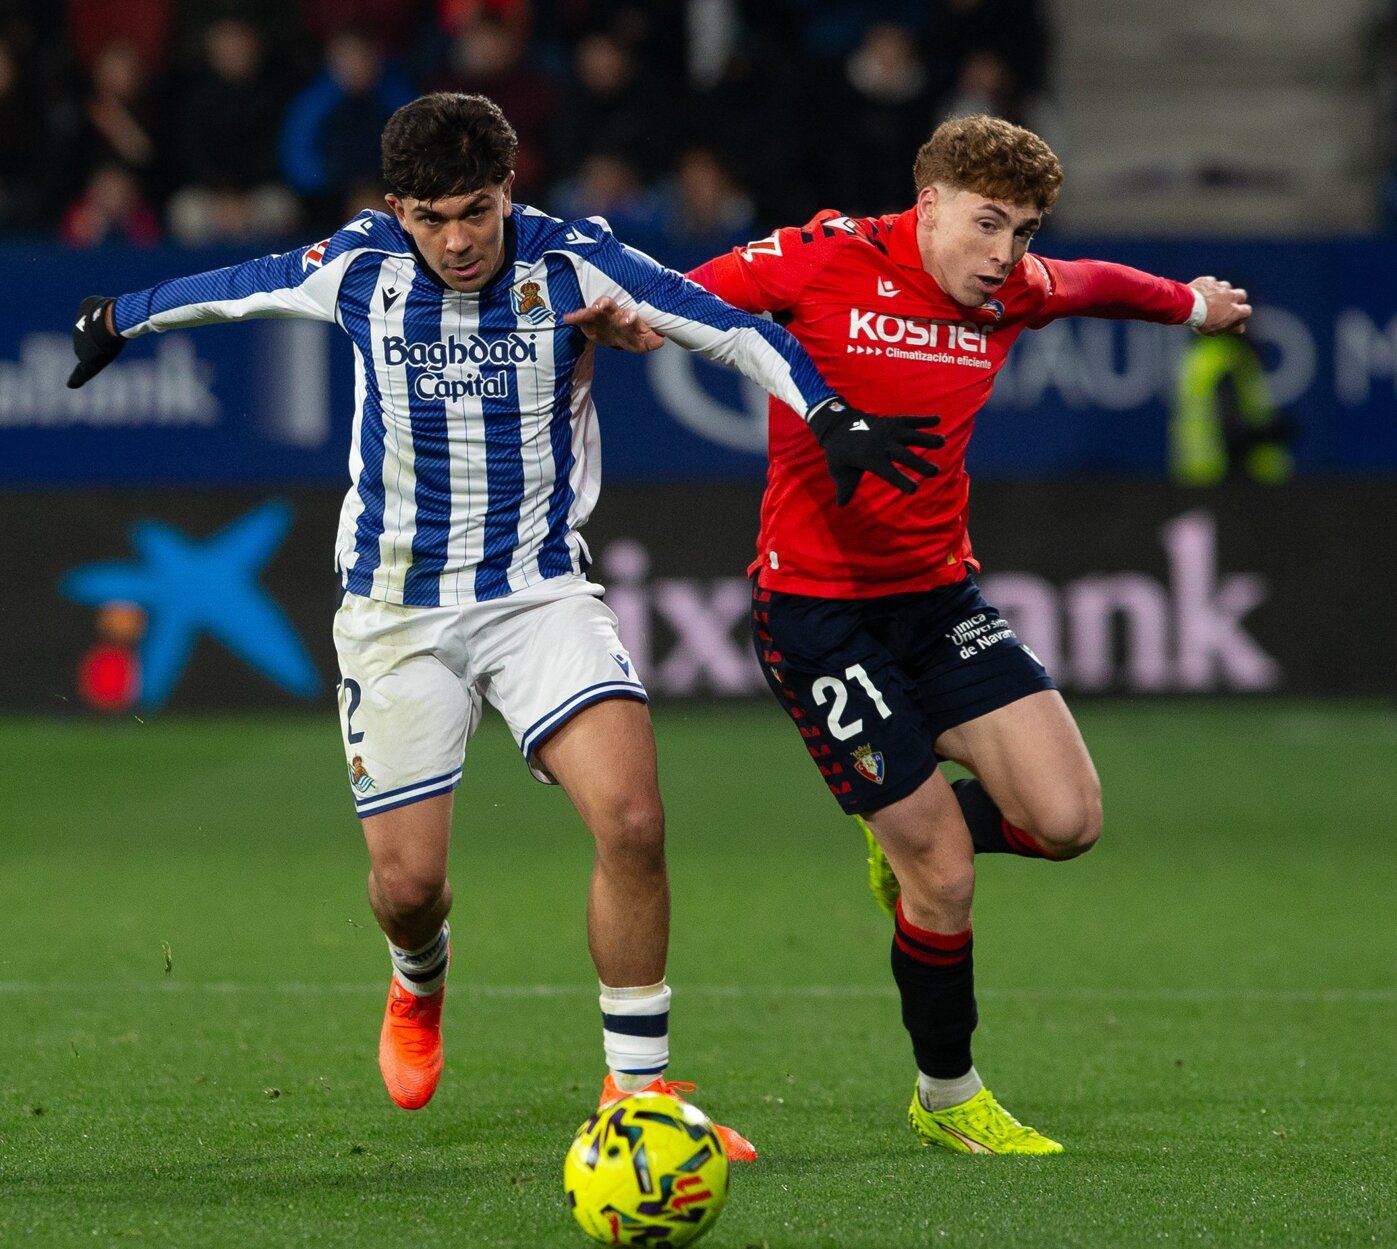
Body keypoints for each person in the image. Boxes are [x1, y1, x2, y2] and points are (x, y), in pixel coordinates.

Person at [64, 92, 937, 1162]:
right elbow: (234, 290)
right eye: (432, 218)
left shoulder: (574, 263)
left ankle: (639, 1094)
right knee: (406, 886)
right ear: (397, 210)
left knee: (632, 819)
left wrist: (831, 416)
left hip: (537, 596)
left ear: (508, 189)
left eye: (476, 210)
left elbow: (734, 331)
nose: (459, 239)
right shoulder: (359, 267)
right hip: (395, 612)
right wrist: (117, 317)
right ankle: (417, 980)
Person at [571, 113, 1251, 1156]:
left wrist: (1188, 305)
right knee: (941, 869)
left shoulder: (1012, 291)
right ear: (926, 204)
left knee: (1067, 819)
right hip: (816, 615)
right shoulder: (824, 255)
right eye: (987, 224)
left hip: (939, 603)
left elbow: (1091, 282)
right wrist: (601, 317)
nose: (1005, 255)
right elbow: (674, 293)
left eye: (1022, 230)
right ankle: (947, 1095)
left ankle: (895, 823)